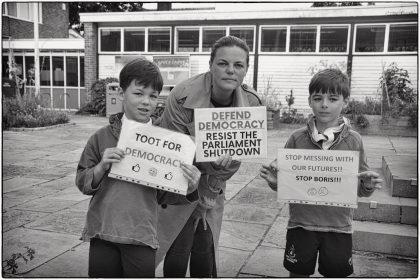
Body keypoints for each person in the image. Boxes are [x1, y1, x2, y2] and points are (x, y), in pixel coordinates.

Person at [75, 58, 200, 278]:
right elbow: (83, 182)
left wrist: (189, 185)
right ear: (122, 94)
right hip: (103, 231)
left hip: (142, 234)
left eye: (153, 96)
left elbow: (166, 197)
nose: (146, 102)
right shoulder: (101, 137)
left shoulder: (168, 142)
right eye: (138, 93)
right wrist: (102, 167)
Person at [259, 68, 383, 277]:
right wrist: (275, 182)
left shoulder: (354, 140)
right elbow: (286, 183)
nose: (324, 104)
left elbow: (360, 188)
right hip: (301, 224)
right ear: (309, 101)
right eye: (318, 98)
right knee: (297, 274)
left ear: (345, 102)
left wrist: (368, 185)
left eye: (333, 98)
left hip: (339, 226)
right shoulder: (296, 138)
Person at [156, 36, 262, 277]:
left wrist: (209, 195)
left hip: (214, 181)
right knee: (178, 242)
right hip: (179, 178)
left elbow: (234, 158)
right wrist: (200, 149)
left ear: (246, 69)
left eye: (238, 65)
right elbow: (173, 149)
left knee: (205, 242)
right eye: (223, 63)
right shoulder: (182, 95)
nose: (230, 71)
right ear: (211, 65)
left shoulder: (252, 104)